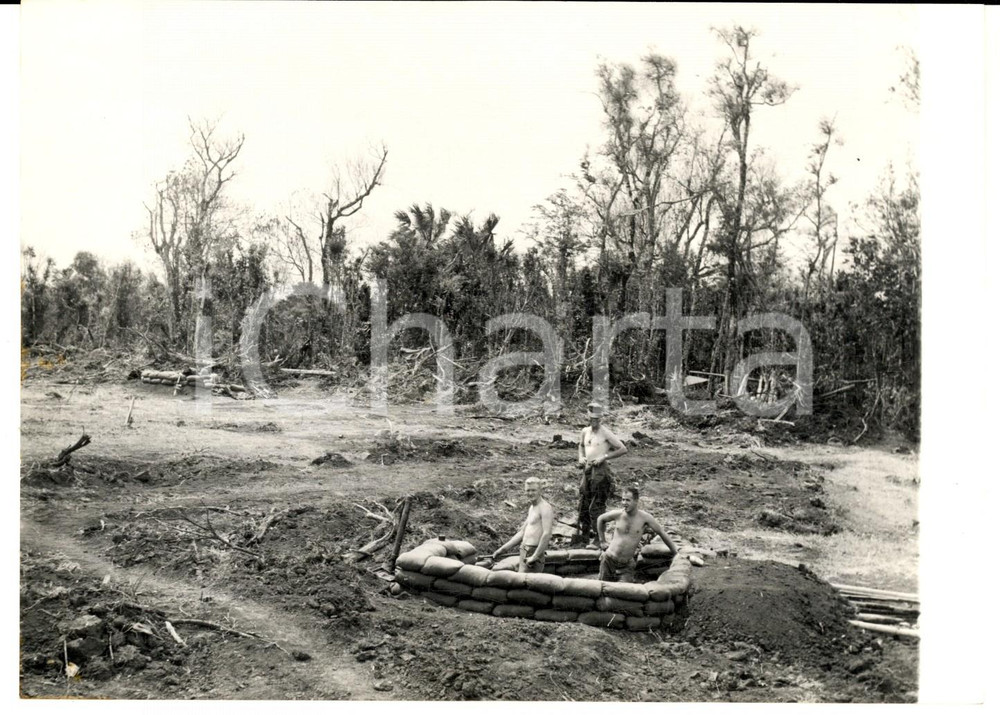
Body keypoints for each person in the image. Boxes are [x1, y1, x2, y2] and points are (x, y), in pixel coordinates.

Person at [596, 486, 677, 583]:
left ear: (636, 501)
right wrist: (602, 541)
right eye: (623, 500)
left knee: (623, 593)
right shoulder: (618, 514)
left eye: (628, 500)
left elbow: (662, 533)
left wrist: (675, 552)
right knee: (602, 587)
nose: (624, 503)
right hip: (609, 560)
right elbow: (600, 519)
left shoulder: (645, 518)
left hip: (626, 565)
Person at [575, 402, 627, 546]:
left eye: (597, 419)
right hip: (587, 470)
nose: (594, 422)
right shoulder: (585, 431)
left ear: (601, 419)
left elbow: (623, 449)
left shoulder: (605, 433)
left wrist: (604, 457)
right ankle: (584, 536)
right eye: (592, 419)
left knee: (596, 506)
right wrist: (581, 457)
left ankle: (599, 538)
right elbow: (580, 446)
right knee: (583, 504)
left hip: (601, 471)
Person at [493, 477, 554, 573]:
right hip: (524, 551)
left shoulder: (545, 508)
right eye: (528, 490)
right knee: (520, 583)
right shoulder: (532, 508)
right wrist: (502, 549)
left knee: (528, 585)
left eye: (533, 490)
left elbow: (547, 534)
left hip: (533, 553)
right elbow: (522, 532)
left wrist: (535, 556)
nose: (530, 493)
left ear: (540, 491)